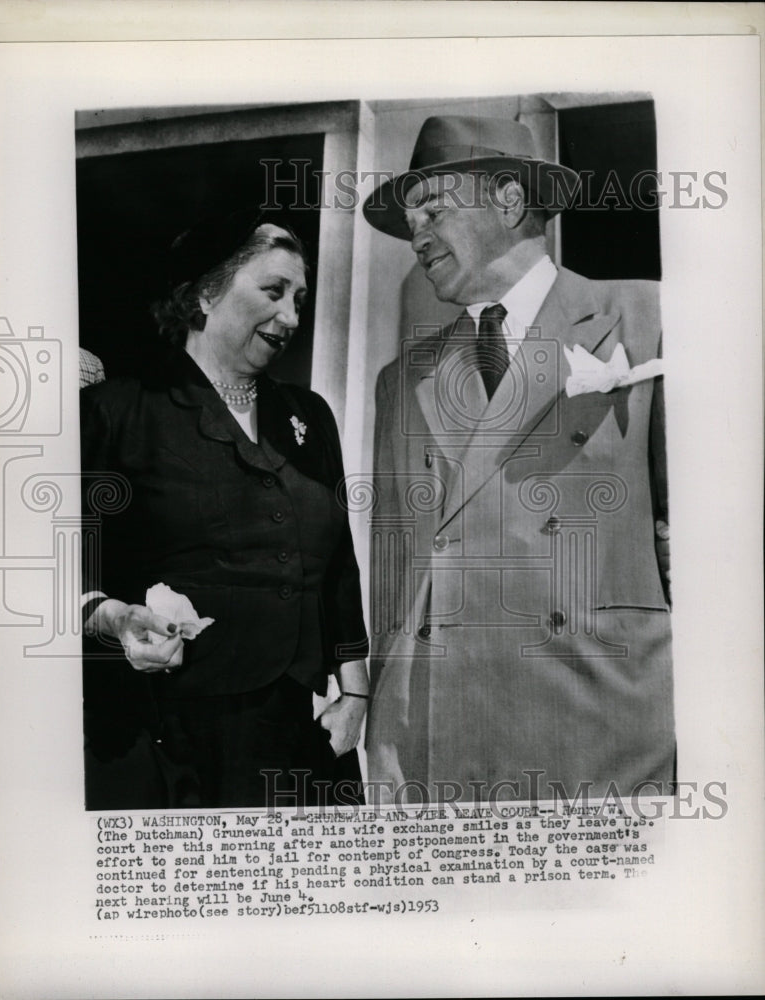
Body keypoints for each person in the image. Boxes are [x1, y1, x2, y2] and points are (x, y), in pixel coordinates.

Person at [362, 115, 673, 804]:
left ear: (507, 201)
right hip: (441, 734)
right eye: (411, 218)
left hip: (608, 724)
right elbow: (395, 571)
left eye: (432, 210)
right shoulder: (402, 377)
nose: (416, 235)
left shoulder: (646, 317)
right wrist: (382, 723)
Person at [80, 208, 369, 809]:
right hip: (169, 733)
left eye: (299, 298)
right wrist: (113, 617)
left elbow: (338, 564)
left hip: (299, 730)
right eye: (273, 291)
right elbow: (58, 569)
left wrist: (355, 695)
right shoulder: (117, 411)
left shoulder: (308, 416)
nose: (290, 316)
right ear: (206, 294)